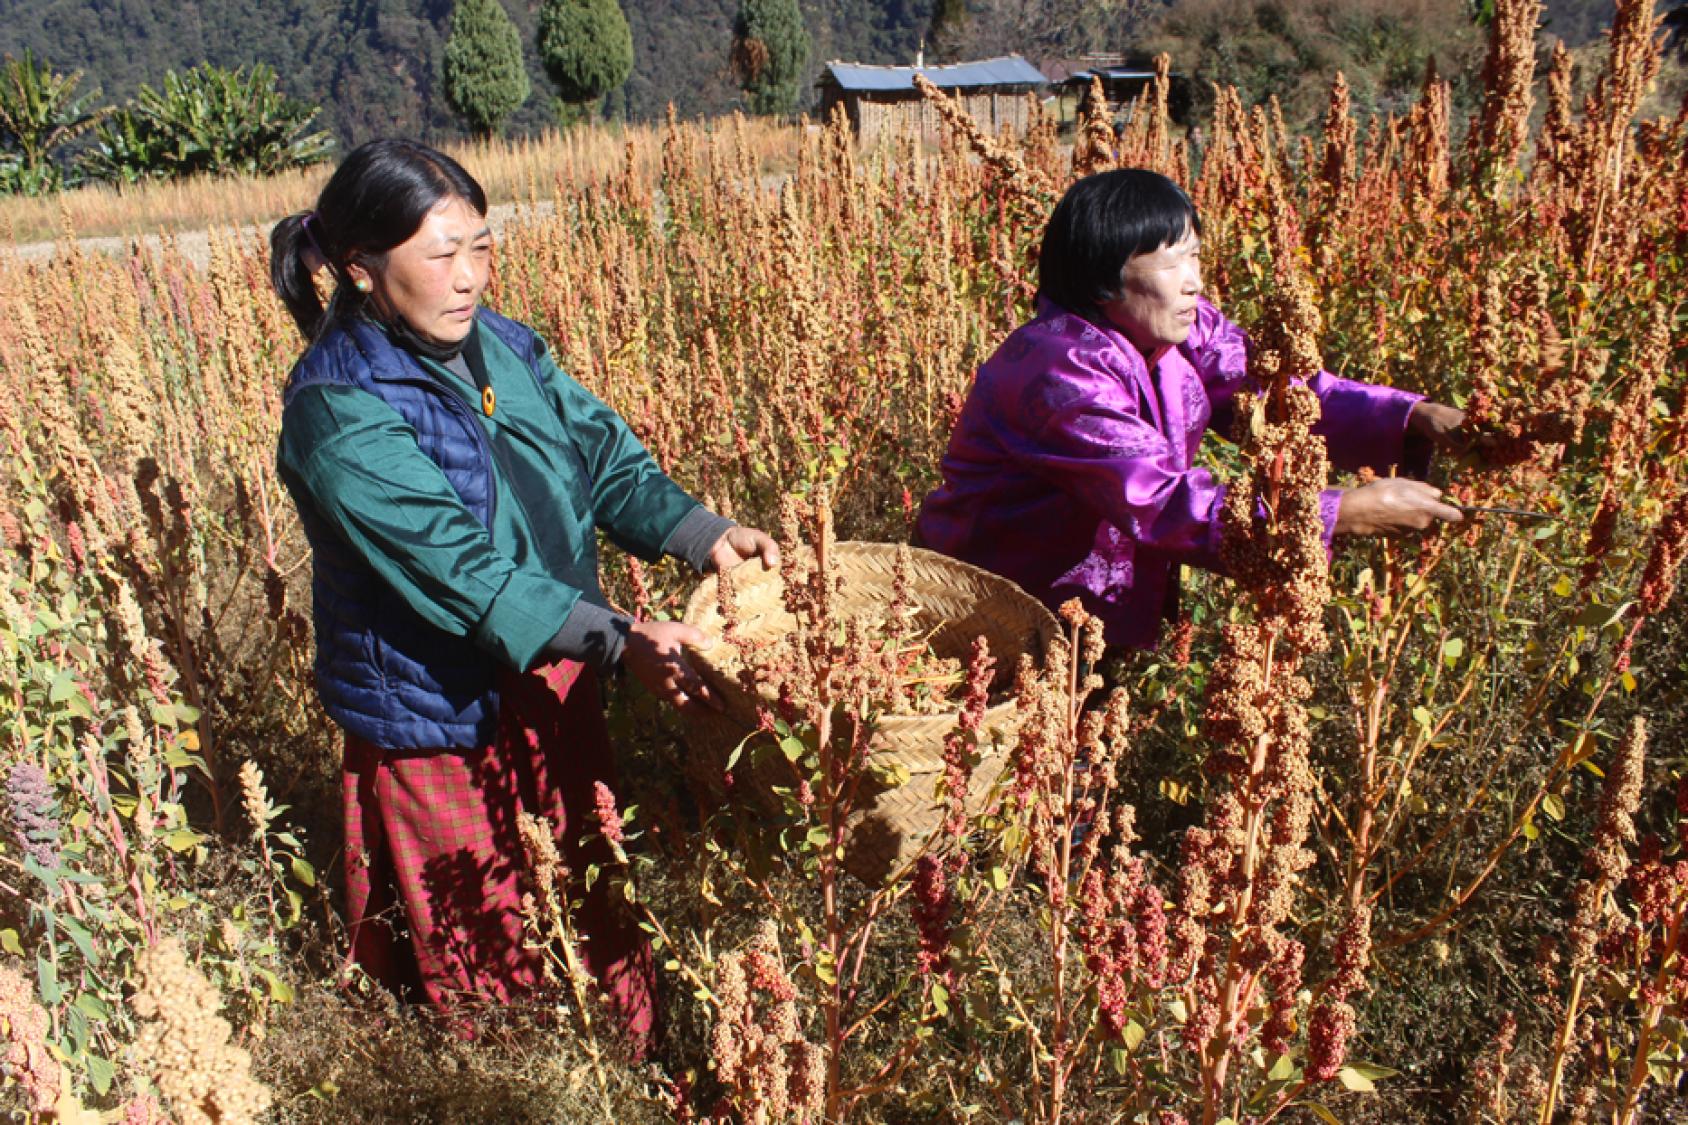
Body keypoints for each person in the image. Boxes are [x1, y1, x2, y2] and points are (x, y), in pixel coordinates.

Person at [268, 139, 777, 1043]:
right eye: (440, 254)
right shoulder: (336, 408)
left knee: (595, 890)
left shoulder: (501, 344)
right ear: (360, 269)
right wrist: (621, 639)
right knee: (492, 952)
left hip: (556, 668)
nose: (468, 277)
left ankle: (631, 1066)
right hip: (441, 718)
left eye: (482, 245)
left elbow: (602, 456)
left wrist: (704, 536)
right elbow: (462, 573)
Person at [916, 169, 1467, 651]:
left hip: (1087, 609)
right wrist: (1335, 513)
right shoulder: (1057, 367)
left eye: (1195, 256)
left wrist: (1413, 417)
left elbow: (1280, 394)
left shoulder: (1180, 328)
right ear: (1104, 274)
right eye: (1168, 261)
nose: (1194, 282)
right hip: (993, 605)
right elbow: (1155, 498)